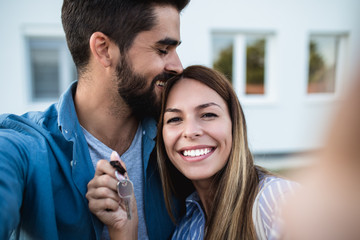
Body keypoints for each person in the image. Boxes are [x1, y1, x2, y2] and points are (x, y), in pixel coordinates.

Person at [0, 0, 190, 239]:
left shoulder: (180, 138)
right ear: (103, 49)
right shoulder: (25, 147)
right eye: (163, 50)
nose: (178, 67)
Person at [91, 65, 296, 239]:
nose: (190, 132)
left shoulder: (279, 200)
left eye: (208, 114)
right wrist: (125, 230)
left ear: (235, 124)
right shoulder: (187, 227)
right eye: (175, 119)